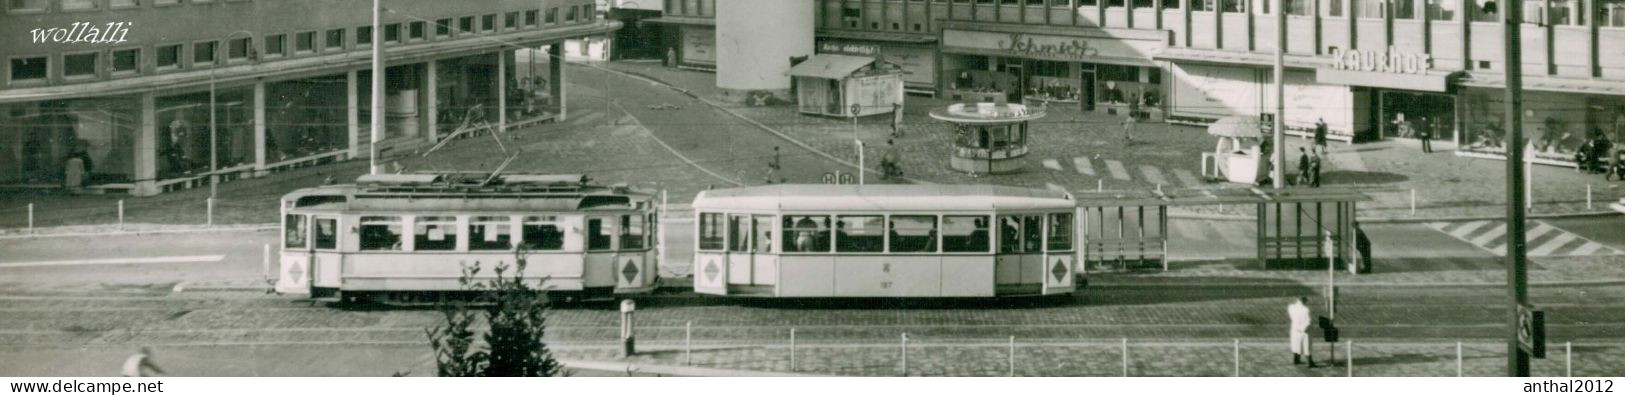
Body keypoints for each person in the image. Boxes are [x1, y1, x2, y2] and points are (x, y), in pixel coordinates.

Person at [1287, 297, 1314, 367]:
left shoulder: (1291, 307)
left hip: (1295, 329)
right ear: (1303, 301)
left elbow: (1292, 316)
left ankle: (1296, 360)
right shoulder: (1306, 309)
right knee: (1307, 346)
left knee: (1295, 344)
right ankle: (1309, 362)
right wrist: (1302, 329)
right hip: (1305, 330)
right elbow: (1308, 321)